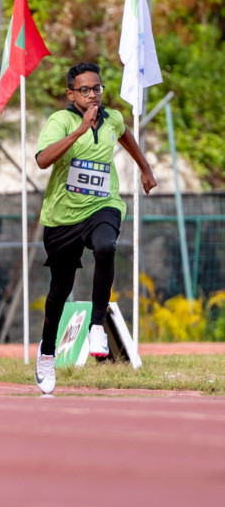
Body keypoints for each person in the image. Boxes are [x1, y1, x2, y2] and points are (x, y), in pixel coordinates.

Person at [31, 62, 156, 395]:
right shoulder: (60, 120)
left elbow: (125, 135)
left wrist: (144, 168)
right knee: (60, 289)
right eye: (84, 90)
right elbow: (43, 161)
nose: (92, 95)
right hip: (63, 217)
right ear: (71, 93)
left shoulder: (112, 118)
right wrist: (80, 130)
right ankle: (46, 352)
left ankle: (97, 326)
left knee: (106, 247)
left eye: (97, 88)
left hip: (103, 205)